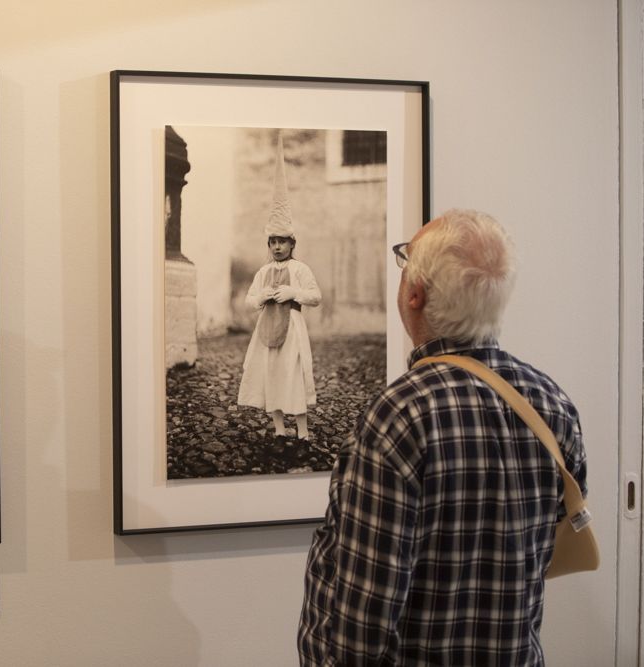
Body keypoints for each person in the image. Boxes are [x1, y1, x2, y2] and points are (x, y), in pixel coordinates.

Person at [298, 209, 588, 665]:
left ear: (414, 294)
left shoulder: (398, 418)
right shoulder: (552, 404)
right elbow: (544, 551)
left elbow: (361, 625)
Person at [237, 223, 322, 459]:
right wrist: (260, 298)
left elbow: (316, 296)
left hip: (292, 329)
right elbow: (249, 299)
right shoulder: (263, 272)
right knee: (271, 374)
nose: (277, 247)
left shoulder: (300, 269)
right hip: (267, 327)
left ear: (292, 243)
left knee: (292, 376)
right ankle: (280, 432)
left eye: (282, 241)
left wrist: (294, 293)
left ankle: (303, 435)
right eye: (273, 242)